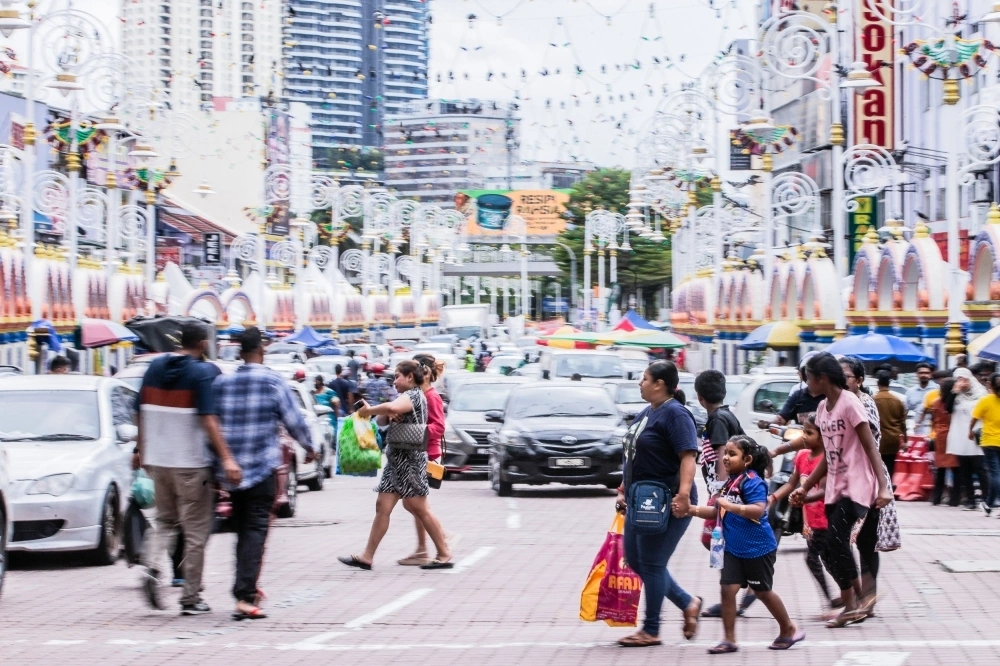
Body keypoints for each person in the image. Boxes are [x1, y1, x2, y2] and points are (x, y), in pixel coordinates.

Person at [137, 322, 242, 615]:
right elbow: (208, 419)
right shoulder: (199, 373)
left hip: (159, 462)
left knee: (165, 522)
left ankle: (150, 566)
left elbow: (139, 411)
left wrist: (142, 451)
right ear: (203, 344)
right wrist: (227, 458)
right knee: (195, 533)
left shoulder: (154, 368)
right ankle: (190, 597)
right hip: (191, 465)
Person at [215, 327, 316, 620]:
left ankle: (247, 586)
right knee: (255, 530)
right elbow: (294, 419)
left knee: (243, 530)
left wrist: (217, 464)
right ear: (261, 349)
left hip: (232, 471)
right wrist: (309, 447)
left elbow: (212, 425)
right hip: (261, 469)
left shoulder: (223, 383)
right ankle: (245, 595)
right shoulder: (273, 381)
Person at [790, 353, 891, 628]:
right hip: (835, 487)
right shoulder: (822, 409)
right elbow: (828, 455)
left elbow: (871, 447)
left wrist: (883, 487)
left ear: (821, 378)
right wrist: (806, 485)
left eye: (808, 378)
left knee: (837, 542)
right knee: (826, 550)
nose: (806, 383)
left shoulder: (851, 404)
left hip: (858, 485)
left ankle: (852, 605)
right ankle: (857, 599)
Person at [614, 360, 702, 648]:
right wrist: (623, 489)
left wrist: (684, 495)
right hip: (641, 499)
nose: (640, 383)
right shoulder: (647, 413)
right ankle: (687, 603)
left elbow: (688, 456)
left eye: (644, 378)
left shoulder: (676, 414)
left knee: (652, 562)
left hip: (668, 500)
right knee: (637, 559)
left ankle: (651, 629)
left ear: (659, 384)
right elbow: (633, 453)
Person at [688, 436, 803, 654]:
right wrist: (689, 509)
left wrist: (731, 507)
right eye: (725, 453)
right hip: (733, 548)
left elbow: (759, 509)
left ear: (747, 459)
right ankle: (729, 640)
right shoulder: (730, 482)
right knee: (727, 589)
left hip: (757, 549)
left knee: (762, 591)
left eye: (732, 454)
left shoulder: (753, 481)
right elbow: (716, 511)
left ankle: (789, 628)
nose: (725, 458)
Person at [339, 361, 453, 570]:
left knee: (419, 508)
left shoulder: (415, 395)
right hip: (395, 463)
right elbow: (383, 420)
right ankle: (367, 556)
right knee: (382, 506)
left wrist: (370, 410)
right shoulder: (403, 397)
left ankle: (444, 553)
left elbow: (390, 408)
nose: (394, 382)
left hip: (410, 462)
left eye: (397, 377)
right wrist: (385, 412)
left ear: (410, 377)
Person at [694, 370, 754, 620]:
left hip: (726, 493)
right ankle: (738, 589)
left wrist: (720, 492)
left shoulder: (717, 419)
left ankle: (738, 587)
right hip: (729, 491)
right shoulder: (723, 415)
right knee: (720, 542)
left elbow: (721, 454)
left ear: (699, 397)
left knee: (714, 539)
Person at [769, 415, 841, 613]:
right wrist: (773, 498)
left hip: (826, 519)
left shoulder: (825, 460)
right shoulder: (801, 456)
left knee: (814, 559)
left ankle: (840, 596)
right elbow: (792, 483)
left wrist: (803, 498)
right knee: (826, 560)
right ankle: (844, 595)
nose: (805, 437)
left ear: (823, 436)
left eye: (810, 433)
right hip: (811, 520)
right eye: (804, 432)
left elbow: (824, 490)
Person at [397, 354, 452, 566]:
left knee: (415, 504)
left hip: (427, 453)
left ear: (425, 372)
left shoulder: (431, 396)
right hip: (418, 451)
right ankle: (423, 548)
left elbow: (439, 427)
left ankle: (443, 538)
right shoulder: (418, 395)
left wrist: (411, 431)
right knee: (416, 504)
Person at [946, 367, 989, 512]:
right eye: (958, 379)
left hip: (977, 435)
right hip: (960, 435)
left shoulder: (981, 393)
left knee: (981, 468)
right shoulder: (957, 395)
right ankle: (970, 500)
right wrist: (954, 391)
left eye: (963, 378)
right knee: (965, 470)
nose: (961, 382)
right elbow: (948, 409)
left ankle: (986, 498)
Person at [756, 353, 823, 430]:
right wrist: (769, 423)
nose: (810, 379)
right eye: (807, 375)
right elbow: (782, 418)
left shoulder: (829, 397)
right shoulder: (797, 396)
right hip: (801, 438)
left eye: (814, 375)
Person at [970, 373, 1000, 514]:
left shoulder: (985, 401)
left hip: (989, 441)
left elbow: (974, 418)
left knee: (995, 474)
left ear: (991, 385)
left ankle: (993, 502)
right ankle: (988, 503)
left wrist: (970, 431)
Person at [929, 378, 960, 506]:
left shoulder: (936, 403)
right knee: (955, 469)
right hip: (954, 434)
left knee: (940, 468)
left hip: (940, 436)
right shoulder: (956, 402)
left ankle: (937, 498)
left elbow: (933, 420)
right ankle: (954, 499)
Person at [874, 370, 907, 480]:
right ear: (889, 384)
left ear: (878, 383)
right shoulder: (897, 401)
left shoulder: (873, 400)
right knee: (890, 465)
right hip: (893, 439)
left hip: (878, 439)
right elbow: (903, 423)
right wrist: (905, 441)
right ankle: (889, 488)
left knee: (877, 466)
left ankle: (880, 489)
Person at [905, 363, 937, 437]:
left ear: (931, 374)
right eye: (921, 373)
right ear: (917, 374)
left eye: (926, 373)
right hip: (916, 429)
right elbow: (905, 411)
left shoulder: (937, 389)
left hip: (933, 429)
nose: (924, 375)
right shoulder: (910, 392)